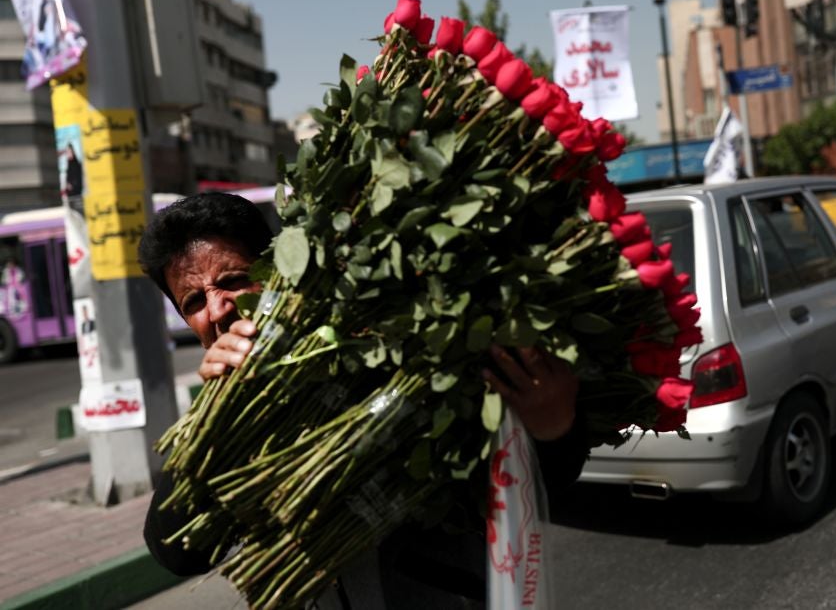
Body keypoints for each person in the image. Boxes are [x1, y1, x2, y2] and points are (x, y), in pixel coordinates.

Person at [138, 192, 587, 608]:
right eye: (193, 300)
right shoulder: (226, 410)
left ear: (280, 270)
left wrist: (554, 428)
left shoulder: (388, 354)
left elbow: (527, 486)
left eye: (233, 281)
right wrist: (219, 415)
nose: (217, 310)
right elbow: (175, 551)